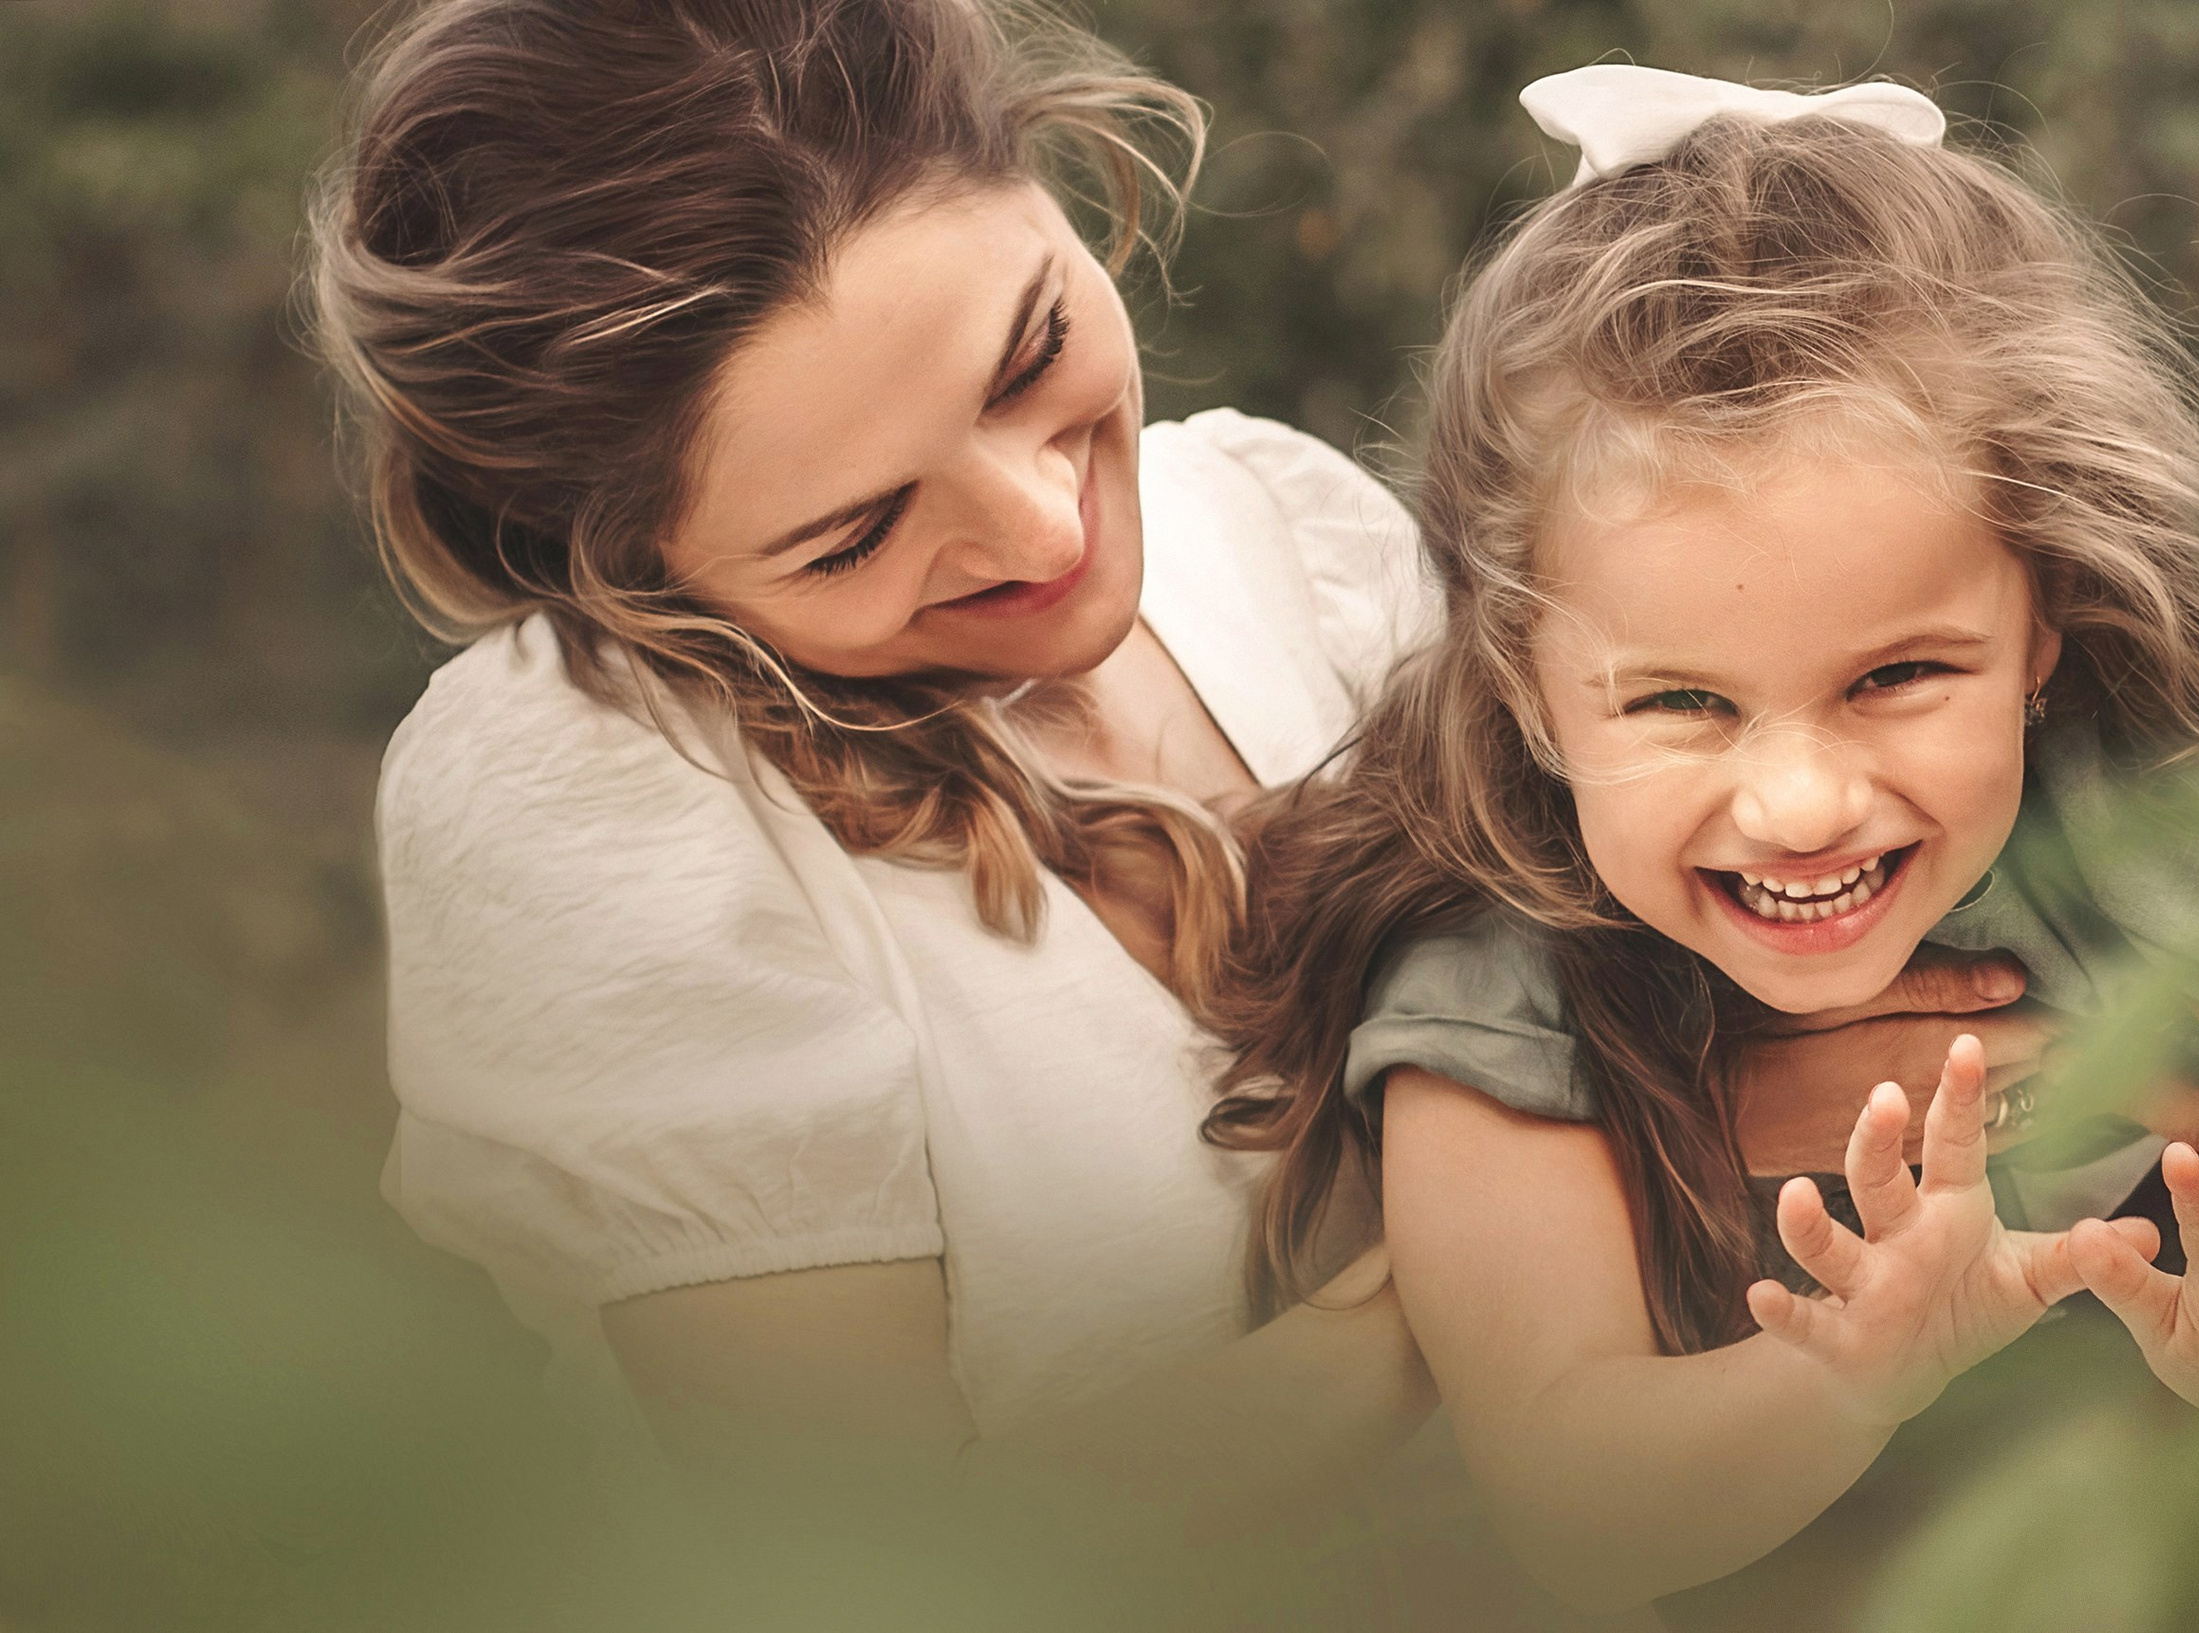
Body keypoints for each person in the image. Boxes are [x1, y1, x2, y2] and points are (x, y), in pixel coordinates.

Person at [308, 6, 2017, 1616]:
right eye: (855, 535)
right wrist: (1481, 1262)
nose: (1043, 528)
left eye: (1031, 356)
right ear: (630, 563)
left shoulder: (1286, 532)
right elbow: (868, 1563)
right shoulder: (583, 792)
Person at [1204, 68, 2199, 1613]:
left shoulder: (2176, 843)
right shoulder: (1501, 975)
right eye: (1684, 702)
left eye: (1896, 677)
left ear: (2040, 625)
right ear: (1527, 691)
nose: (1803, 803)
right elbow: (1574, 1494)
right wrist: (1860, 1370)